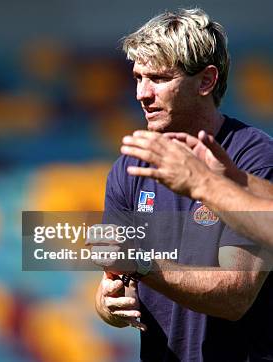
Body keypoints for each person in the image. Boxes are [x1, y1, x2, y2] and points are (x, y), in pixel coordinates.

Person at [93, 8, 273, 361]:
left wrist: (142, 265)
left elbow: (235, 297)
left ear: (205, 81)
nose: (141, 93)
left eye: (158, 78)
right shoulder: (130, 165)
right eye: (138, 77)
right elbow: (111, 285)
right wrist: (109, 304)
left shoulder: (255, 160)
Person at [120, 129, 273, 249]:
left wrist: (203, 182)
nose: (142, 95)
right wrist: (235, 178)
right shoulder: (122, 170)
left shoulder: (256, 149)